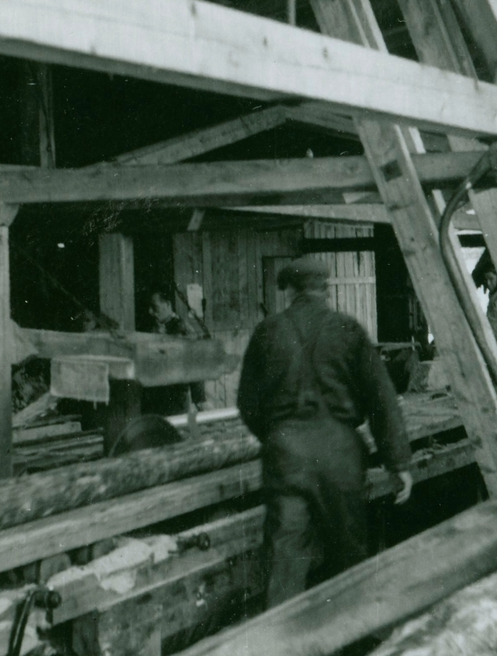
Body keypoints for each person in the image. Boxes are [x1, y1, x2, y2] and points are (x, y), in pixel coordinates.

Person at [237, 256, 413, 607]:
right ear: (326, 289)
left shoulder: (268, 332)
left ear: (290, 292)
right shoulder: (348, 330)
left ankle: (280, 654)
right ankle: (354, 645)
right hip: (340, 453)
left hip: (285, 454)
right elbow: (382, 400)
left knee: (284, 560)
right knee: (349, 552)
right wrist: (399, 463)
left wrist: (277, 436)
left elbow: (247, 402)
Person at [143, 286, 207, 416]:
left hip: (175, 397)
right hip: (155, 396)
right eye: (149, 308)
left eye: (155, 307)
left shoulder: (183, 328)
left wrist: (198, 399)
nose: (150, 312)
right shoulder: (154, 328)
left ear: (167, 305)